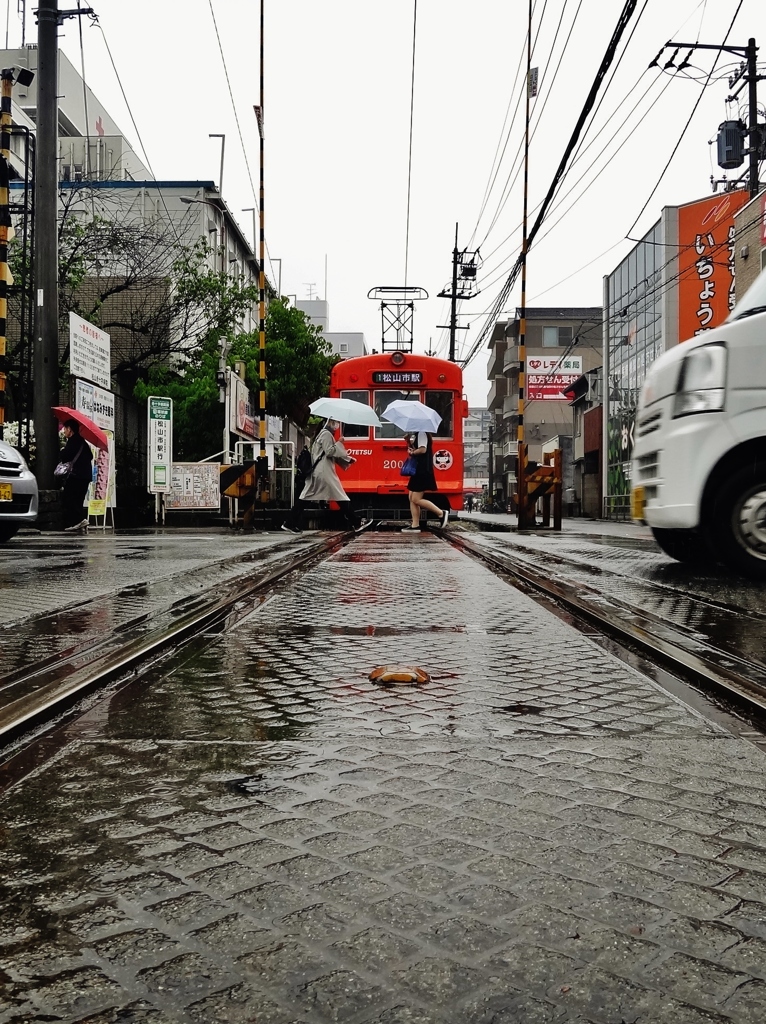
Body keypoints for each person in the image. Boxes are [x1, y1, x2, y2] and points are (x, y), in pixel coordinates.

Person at [282, 419, 373, 535]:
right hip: (324, 472)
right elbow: (330, 452)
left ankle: (289, 523)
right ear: (330, 422)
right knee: (340, 496)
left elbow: (327, 454)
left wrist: (347, 459)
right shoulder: (326, 434)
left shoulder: (321, 434)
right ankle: (356, 522)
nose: (337, 425)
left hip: (318, 472)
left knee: (305, 497)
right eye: (336, 422)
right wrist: (340, 443)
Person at [402, 431, 449, 532]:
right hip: (419, 470)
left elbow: (423, 450)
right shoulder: (420, 434)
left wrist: (412, 452)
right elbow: (419, 449)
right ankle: (415, 525)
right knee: (411, 497)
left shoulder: (422, 433)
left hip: (422, 470)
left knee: (416, 499)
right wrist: (409, 441)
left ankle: (441, 513)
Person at [58, 419, 93, 532]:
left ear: (70, 430)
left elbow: (65, 457)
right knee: (78, 499)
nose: (64, 431)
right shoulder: (83, 442)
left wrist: (62, 450)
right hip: (86, 476)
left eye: (65, 429)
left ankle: (77, 521)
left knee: (69, 498)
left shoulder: (73, 441)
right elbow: (91, 456)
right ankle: (79, 522)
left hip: (76, 475)